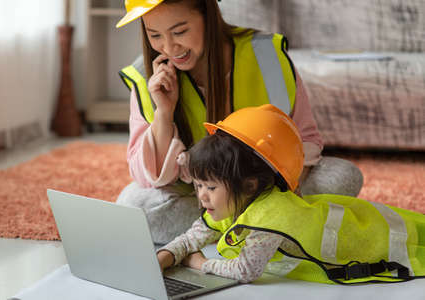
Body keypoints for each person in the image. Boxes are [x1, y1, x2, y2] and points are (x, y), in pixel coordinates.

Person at [115, 0, 363, 243]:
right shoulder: (147, 76)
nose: (168, 47)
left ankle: (228, 229)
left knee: (343, 175)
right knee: (133, 205)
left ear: (208, 14)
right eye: (154, 35)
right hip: (203, 198)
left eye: (180, 31)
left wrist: (279, 188)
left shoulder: (266, 56)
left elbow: (305, 139)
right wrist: (164, 112)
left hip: (267, 191)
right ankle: (271, 229)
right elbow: (147, 177)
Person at [157, 104, 425, 284]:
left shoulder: (270, 218)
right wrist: (167, 255)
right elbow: (196, 235)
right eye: (199, 186)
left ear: (249, 185)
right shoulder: (237, 201)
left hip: (368, 238)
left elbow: (246, 271)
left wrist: (202, 264)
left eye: (211, 187)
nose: (202, 197)